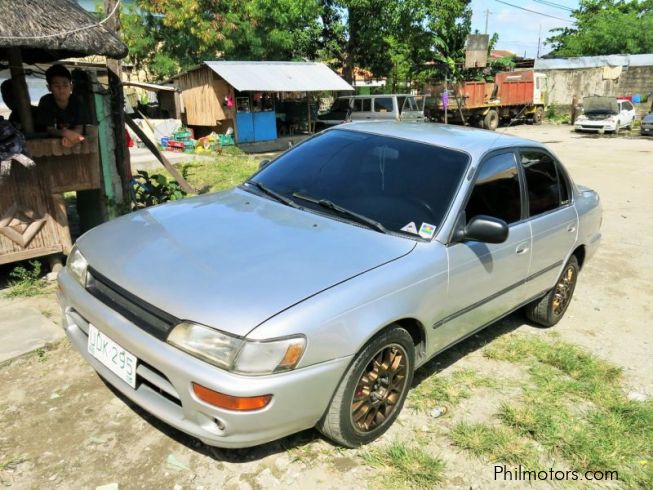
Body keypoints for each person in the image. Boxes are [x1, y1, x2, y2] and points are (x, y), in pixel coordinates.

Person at [36, 64, 84, 147]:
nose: (61, 90)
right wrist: (64, 133)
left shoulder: (76, 101)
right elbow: (49, 129)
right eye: (56, 86)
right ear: (49, 88)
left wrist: (72, 138)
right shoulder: (46, 101)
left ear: (71, 87)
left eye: (65, 85)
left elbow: (79, 127)